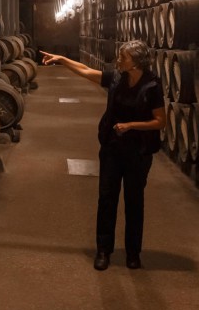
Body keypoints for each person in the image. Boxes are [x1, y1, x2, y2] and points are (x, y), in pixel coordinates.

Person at [39, 41, 165, 271]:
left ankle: (133, 254)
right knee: (106, 198)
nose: (118, 60)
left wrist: (131, 126)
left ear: (136, 61)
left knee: (134, 202)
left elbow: (159, 121)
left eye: (123, 57)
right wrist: (62, 59)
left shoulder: (152, 85)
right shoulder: (117, 78)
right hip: (112, 148)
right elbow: (86, 71)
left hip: (139, 152)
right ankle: (103, 250)